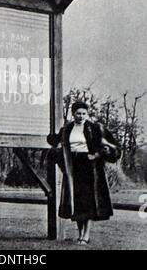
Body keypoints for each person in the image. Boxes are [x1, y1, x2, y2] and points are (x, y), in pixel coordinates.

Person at [47, 101, 121, 245]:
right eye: (78, 113)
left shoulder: (95, 128)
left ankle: (86, 235)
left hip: (88, 167)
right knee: (76, 201)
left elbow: (113, 147)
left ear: (87, 114)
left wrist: (97, 156)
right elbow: (55, 143)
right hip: (72, 166)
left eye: (84, 114)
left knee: (87, 202)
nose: (81, 116)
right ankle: (80, 234)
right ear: (73, 114)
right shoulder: (67, 129)